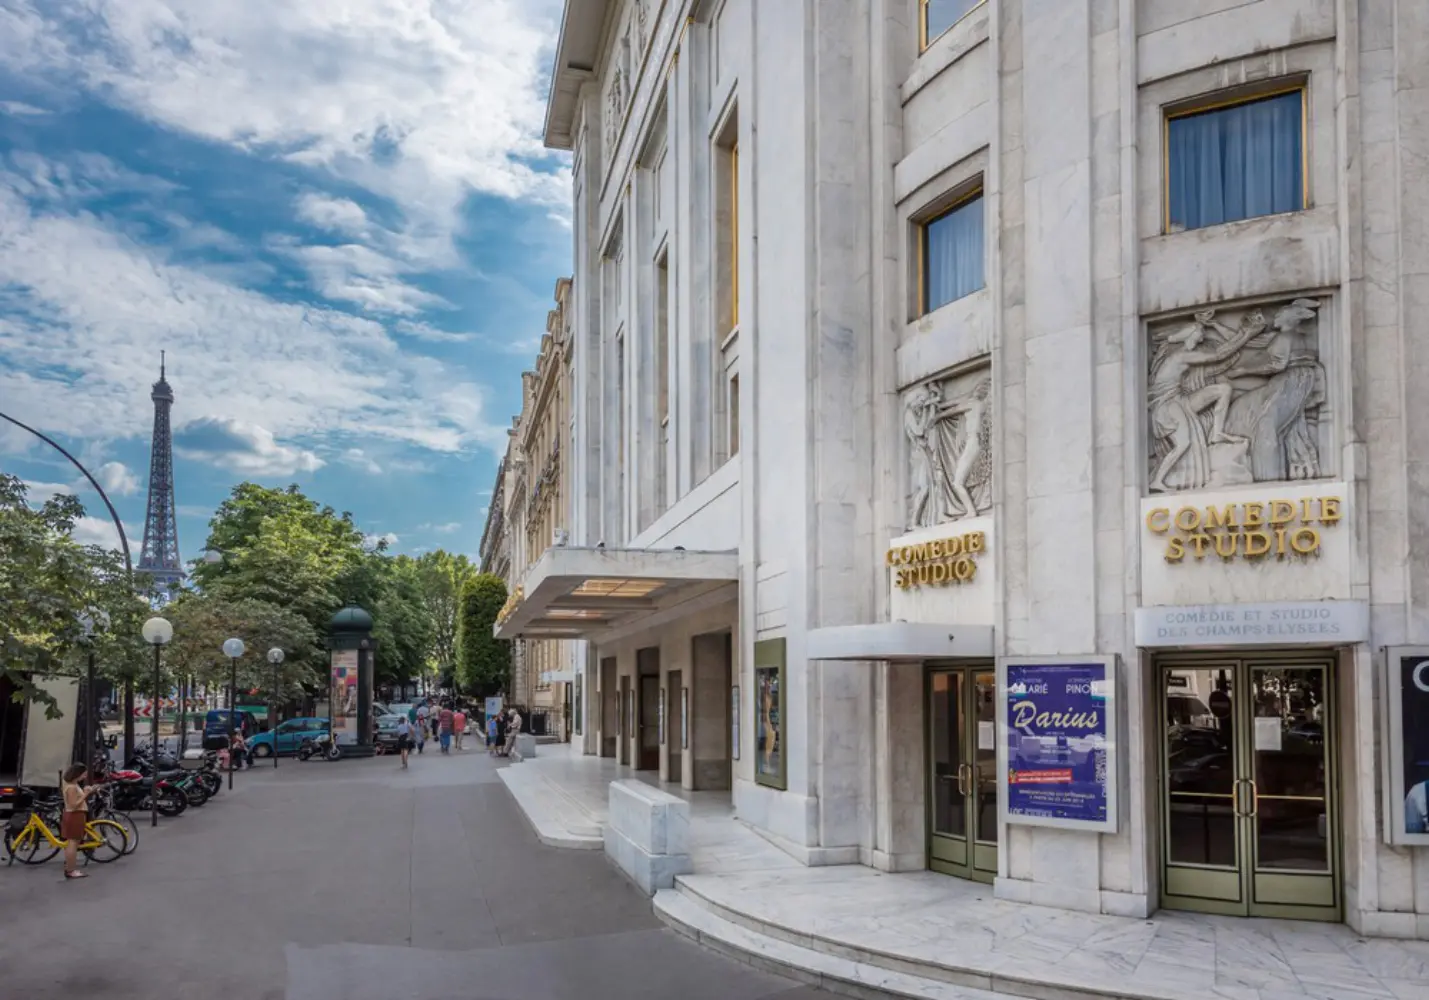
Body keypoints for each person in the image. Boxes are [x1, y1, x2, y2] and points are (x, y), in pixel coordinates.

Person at [60, 762, 103, 880]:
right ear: (77, 774)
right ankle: (71, 870)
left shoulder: (71, 784)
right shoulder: (72, 787)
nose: (85, 776)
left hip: (73, 815)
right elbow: (74, 805)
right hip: (75, 815)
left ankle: (70, 867)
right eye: (83, 774)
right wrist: (86, 794)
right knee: (73, 843)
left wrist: (84, 790)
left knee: (72, 843)